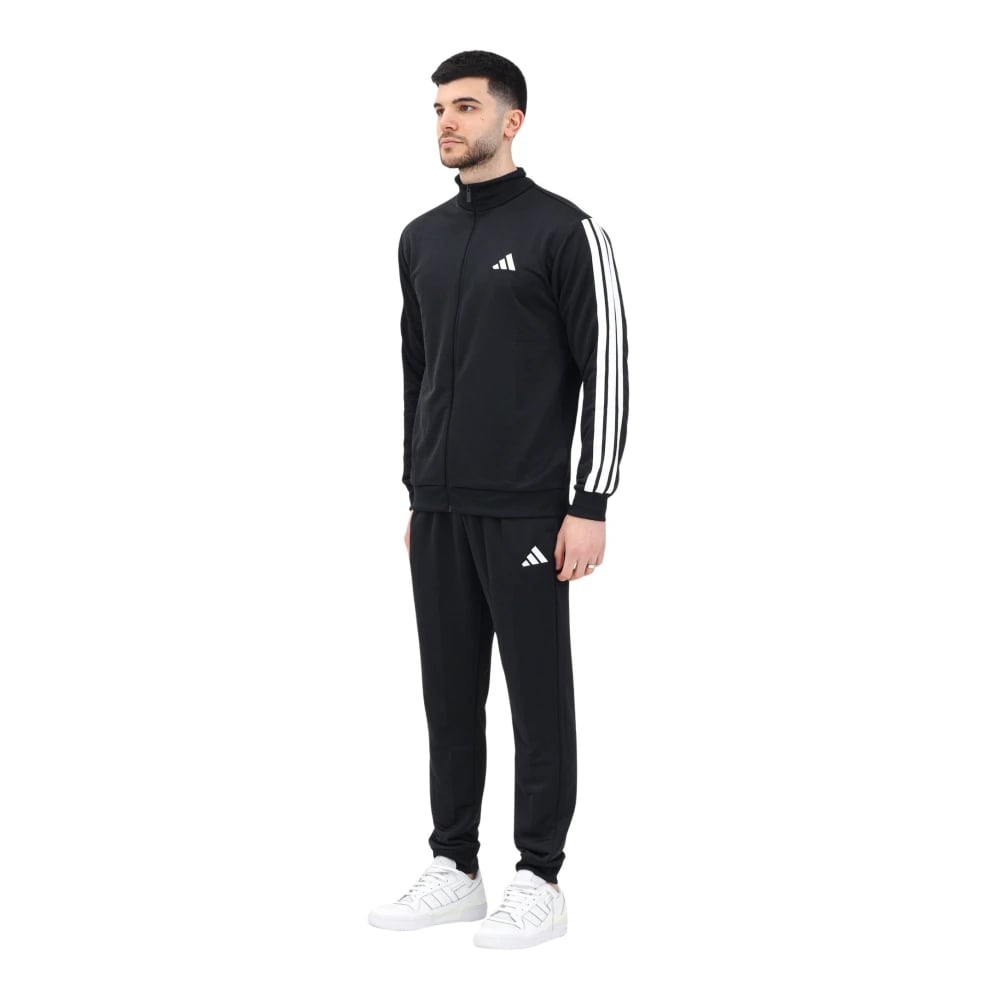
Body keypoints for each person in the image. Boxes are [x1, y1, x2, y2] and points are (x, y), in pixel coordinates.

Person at [368, 50, 629, 950]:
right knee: (448, 693)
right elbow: (418, 374)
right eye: (440, 107)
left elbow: (608, 369)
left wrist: (590, 502)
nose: (448, 121)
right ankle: (455, 866)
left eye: (466, 107)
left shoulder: (566, 230)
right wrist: (419, 490)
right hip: (440, 508)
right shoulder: (421, 238)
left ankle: (540, 877)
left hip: (529, 508)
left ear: (511, 121)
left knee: (536, 695)